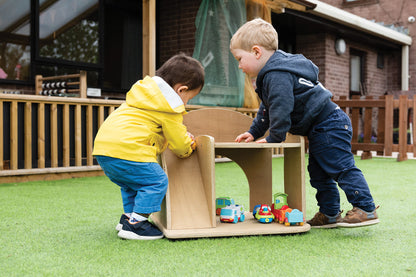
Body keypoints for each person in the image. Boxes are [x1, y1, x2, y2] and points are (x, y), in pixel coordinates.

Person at [230, 18, 379, 228]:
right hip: (322, 127)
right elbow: (268, 107)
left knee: (339, 167)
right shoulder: (274, 73)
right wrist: (254, 132)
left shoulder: (276, 74)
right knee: (319, 173)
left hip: (329, 124)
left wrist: (275, 138)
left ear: (256, 52)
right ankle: (329, 213)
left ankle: (366, 208)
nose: (239, 66)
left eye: (239, 58)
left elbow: (281, 108)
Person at [93, 53, 204, 239]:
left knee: (132, 184)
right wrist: (189, 145)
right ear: (181, 90)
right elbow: (179, 144)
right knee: (157, 181)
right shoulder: (170, 107)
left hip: (104, 150)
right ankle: (137, 224)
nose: (186, 104)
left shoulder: (143, 97)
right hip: (129, 150)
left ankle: (128, 218)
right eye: (189, 98)